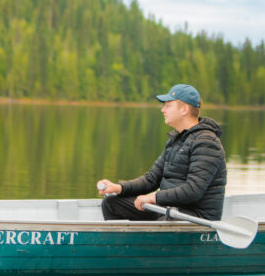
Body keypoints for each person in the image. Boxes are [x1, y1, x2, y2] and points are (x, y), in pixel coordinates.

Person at [97, 83, 227, 221]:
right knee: (112, 203)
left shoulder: (207, 142)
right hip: (169, 208)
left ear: (184, 109)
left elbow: (193, 191)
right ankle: (123, 243)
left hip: (196, 216)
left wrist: (153, 197)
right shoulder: (175, 140)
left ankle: (148, 241)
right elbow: (151, 179)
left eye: (168, 105)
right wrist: (119, 188)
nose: (163, 110)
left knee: (164, 221)